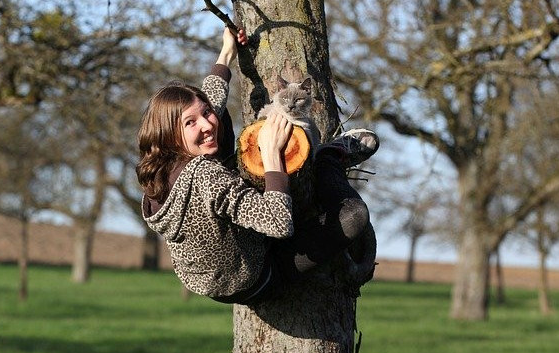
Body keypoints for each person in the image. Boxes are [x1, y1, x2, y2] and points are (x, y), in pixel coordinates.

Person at [136, 28, 379, 305]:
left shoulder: (158, 166)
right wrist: (272, 154)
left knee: (221, 122)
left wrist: (227, 52)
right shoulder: (207, 176)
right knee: (355, 215)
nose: (206, 124)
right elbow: (277, 224)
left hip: (215, 271)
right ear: (169, 133)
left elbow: (210, 105)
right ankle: (330, 158)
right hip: (259, 275)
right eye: (190, 122)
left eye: (204, 113)